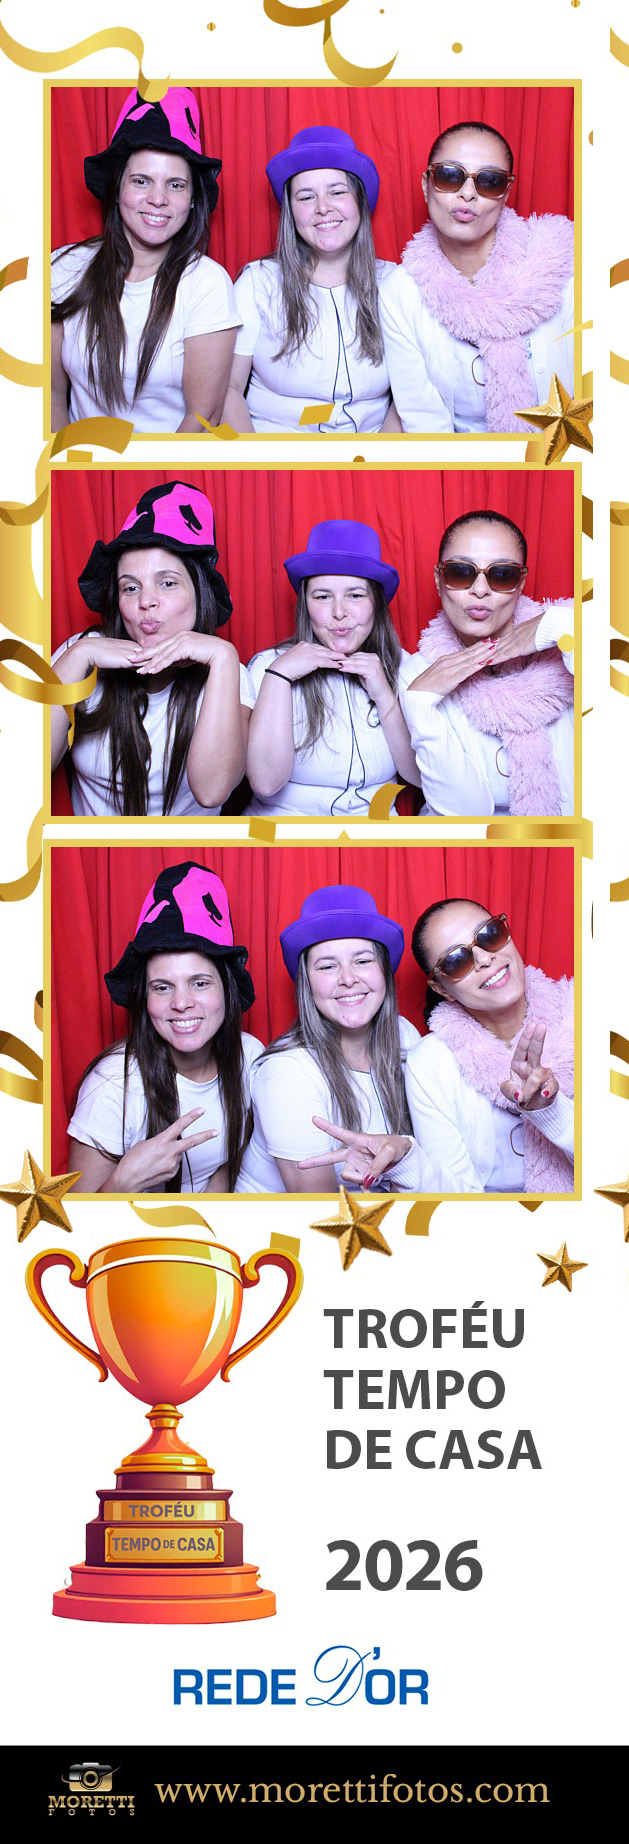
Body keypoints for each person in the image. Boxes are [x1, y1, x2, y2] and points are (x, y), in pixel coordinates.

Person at [51, 480, 253, 817]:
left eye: (167, 583)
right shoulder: (80, 654)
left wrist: (223, 656)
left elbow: (212, 791)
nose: (146, 601)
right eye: (131, 588)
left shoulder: (229, 672)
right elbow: (22, 769)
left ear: (199, 593)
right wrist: (80, 655)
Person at [51, 87, 240, 433]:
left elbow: (201, 419)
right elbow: (48, 395)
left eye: (175, 185)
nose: (157, 199)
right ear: (117, 189)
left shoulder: (208, 283)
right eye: (141, 181)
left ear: (193, 199)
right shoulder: (63, 268)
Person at [67, 862, 262, 1194]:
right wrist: (121, 1185)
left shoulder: (250, 1055)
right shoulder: (112, 1085)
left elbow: (227, 1163)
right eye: (162, 987)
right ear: (145, 999)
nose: (181, 1003)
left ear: (227, 991)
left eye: (199, 983)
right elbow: (72, 1219)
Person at [378, 120, 574, 433]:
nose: (468, 193)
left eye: (490, 181)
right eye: (449, 176)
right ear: (426, 185)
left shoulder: (559, 267)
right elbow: (425, 422)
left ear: (506, 194)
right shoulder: (400, 293)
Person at [237, 884, 430, 1194]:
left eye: (363, 961)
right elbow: (318, 1211)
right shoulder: (286, 1073)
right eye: (327, 966)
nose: (348, 978)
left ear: (384, 971)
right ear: (307, 984)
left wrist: (403, 1153)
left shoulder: (405, 1036)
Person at [223, 124, 400, 433]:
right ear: (291, 212)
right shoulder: (257, 283)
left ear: (360, 201)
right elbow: (227, 388)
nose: (323, 208)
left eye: (337, 192)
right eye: (306, 197)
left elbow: (415, 393)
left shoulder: (397, 283)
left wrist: (380, 458)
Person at [398, 509, 574, 815]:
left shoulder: (568, 641)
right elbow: (464, 817)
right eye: (460, 572)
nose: (480, 590)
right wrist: (420, 705)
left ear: (520, 583)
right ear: (439, 580)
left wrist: (555, 627)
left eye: (502, 575)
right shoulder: (419, 675)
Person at [245, 519, 421, 817]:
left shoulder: (403, 665)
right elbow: (265, 783)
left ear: (376, 603)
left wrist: (384, 696)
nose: (339, 612)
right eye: (323, 597)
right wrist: (278, 677)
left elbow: (419, 777)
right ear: (305, 604)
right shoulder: (268, 665)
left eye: (355, 595)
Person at [405, 899, 574, 1193]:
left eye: (489, 934)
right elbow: (454, 1196)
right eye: (456, 961)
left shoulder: (585, 1016)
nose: (484, 959)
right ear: (442, 988)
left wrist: (551, 1112)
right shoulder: (430, 1062)